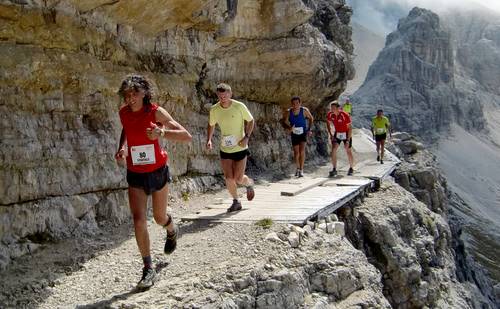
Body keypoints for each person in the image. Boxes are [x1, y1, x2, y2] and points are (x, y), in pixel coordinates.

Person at [114, 74, 192, 289]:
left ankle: (171, 229)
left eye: (135, 93)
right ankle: (148, 268)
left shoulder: (155, 111)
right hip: (135, 173)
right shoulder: (124, 113)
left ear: (144, 93)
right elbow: (126, 129)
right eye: (127, 94)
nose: (131, 98)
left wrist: (162, 132)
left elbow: (186, 135)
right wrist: (122, 147)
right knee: (139, 220)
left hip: (157, 171)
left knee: (159, 217)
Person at [206, 83, 255, 212]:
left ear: (230, 94)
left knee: (238, 178)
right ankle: (236, 201)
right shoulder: (215, 109)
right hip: (225, 148)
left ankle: (248, 183)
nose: (223, 98)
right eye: (220, 96)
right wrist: (209, 139)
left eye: (225, 96)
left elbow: (251, 121)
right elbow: (211, 124)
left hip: (240, 147)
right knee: (228, 177)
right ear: (217, 96)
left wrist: (246, 137)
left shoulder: (239, 106)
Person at [282, 96, 314, 177]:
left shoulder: (304, 110)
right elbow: (283, 121)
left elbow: (311, 118)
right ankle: (298, 168)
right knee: (296, 153)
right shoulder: (288, 112)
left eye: (297, 103)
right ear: (291, 104)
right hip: (294, 133)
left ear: (300, 103)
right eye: (293, 103)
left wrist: (309, 129)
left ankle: (302, 170)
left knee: (302, 151)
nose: (295, 105)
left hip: (303, 132)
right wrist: (289, 128)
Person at [326, 101, 354, 177]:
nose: (332, 110)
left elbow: (350, 128)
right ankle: (334, 169)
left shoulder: (345, 115)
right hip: (337, 133)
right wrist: (330, 133)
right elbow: (328, 123)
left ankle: (351, 168)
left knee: (348, 150)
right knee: (334, 150)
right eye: (331, 108)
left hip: (346, 133)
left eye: (334, 108)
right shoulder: (330, 114)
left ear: (338, 108)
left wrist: (348, 140)